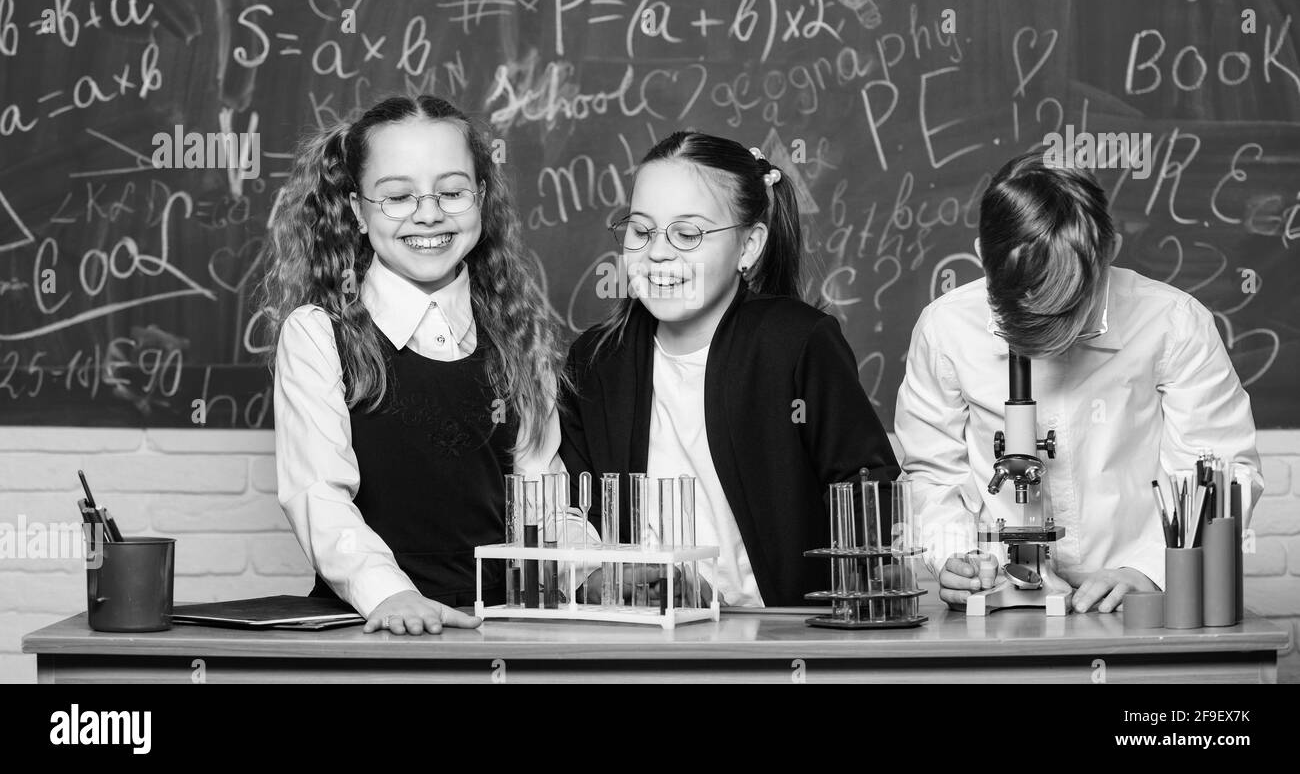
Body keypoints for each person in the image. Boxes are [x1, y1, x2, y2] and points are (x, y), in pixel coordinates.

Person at [895, 149, 1263, 613]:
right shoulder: (946, 328)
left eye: (1068, 307)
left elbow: (1222, 471)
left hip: (1142, 605)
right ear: (983, 262)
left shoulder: (1175, 323)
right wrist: (952, 556)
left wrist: (1152, 570)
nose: (1051, 336)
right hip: (999, 598)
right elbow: (932, 474)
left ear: (1107, 253)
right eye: (1028, 313)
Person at [262, 95, 572, 635]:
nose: (428, 213)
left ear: (481, 198)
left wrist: (603, 569)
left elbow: (545, 497)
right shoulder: (319, 333)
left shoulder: (518, 333)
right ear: (357, 211)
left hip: (498, 626)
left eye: (451, 192)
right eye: (398, 196)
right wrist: (393, 595)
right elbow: (317, 497)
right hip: (376, 624)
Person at [559, 131, 900, 607]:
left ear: (749, 246)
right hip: (644, 634)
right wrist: (596, 575)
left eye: (688, 233)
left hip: (778, 638)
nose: (658, 253)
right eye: (641, 230)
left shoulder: (797, 343)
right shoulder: (596, 361)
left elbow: (870, 490)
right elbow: (567, 505)